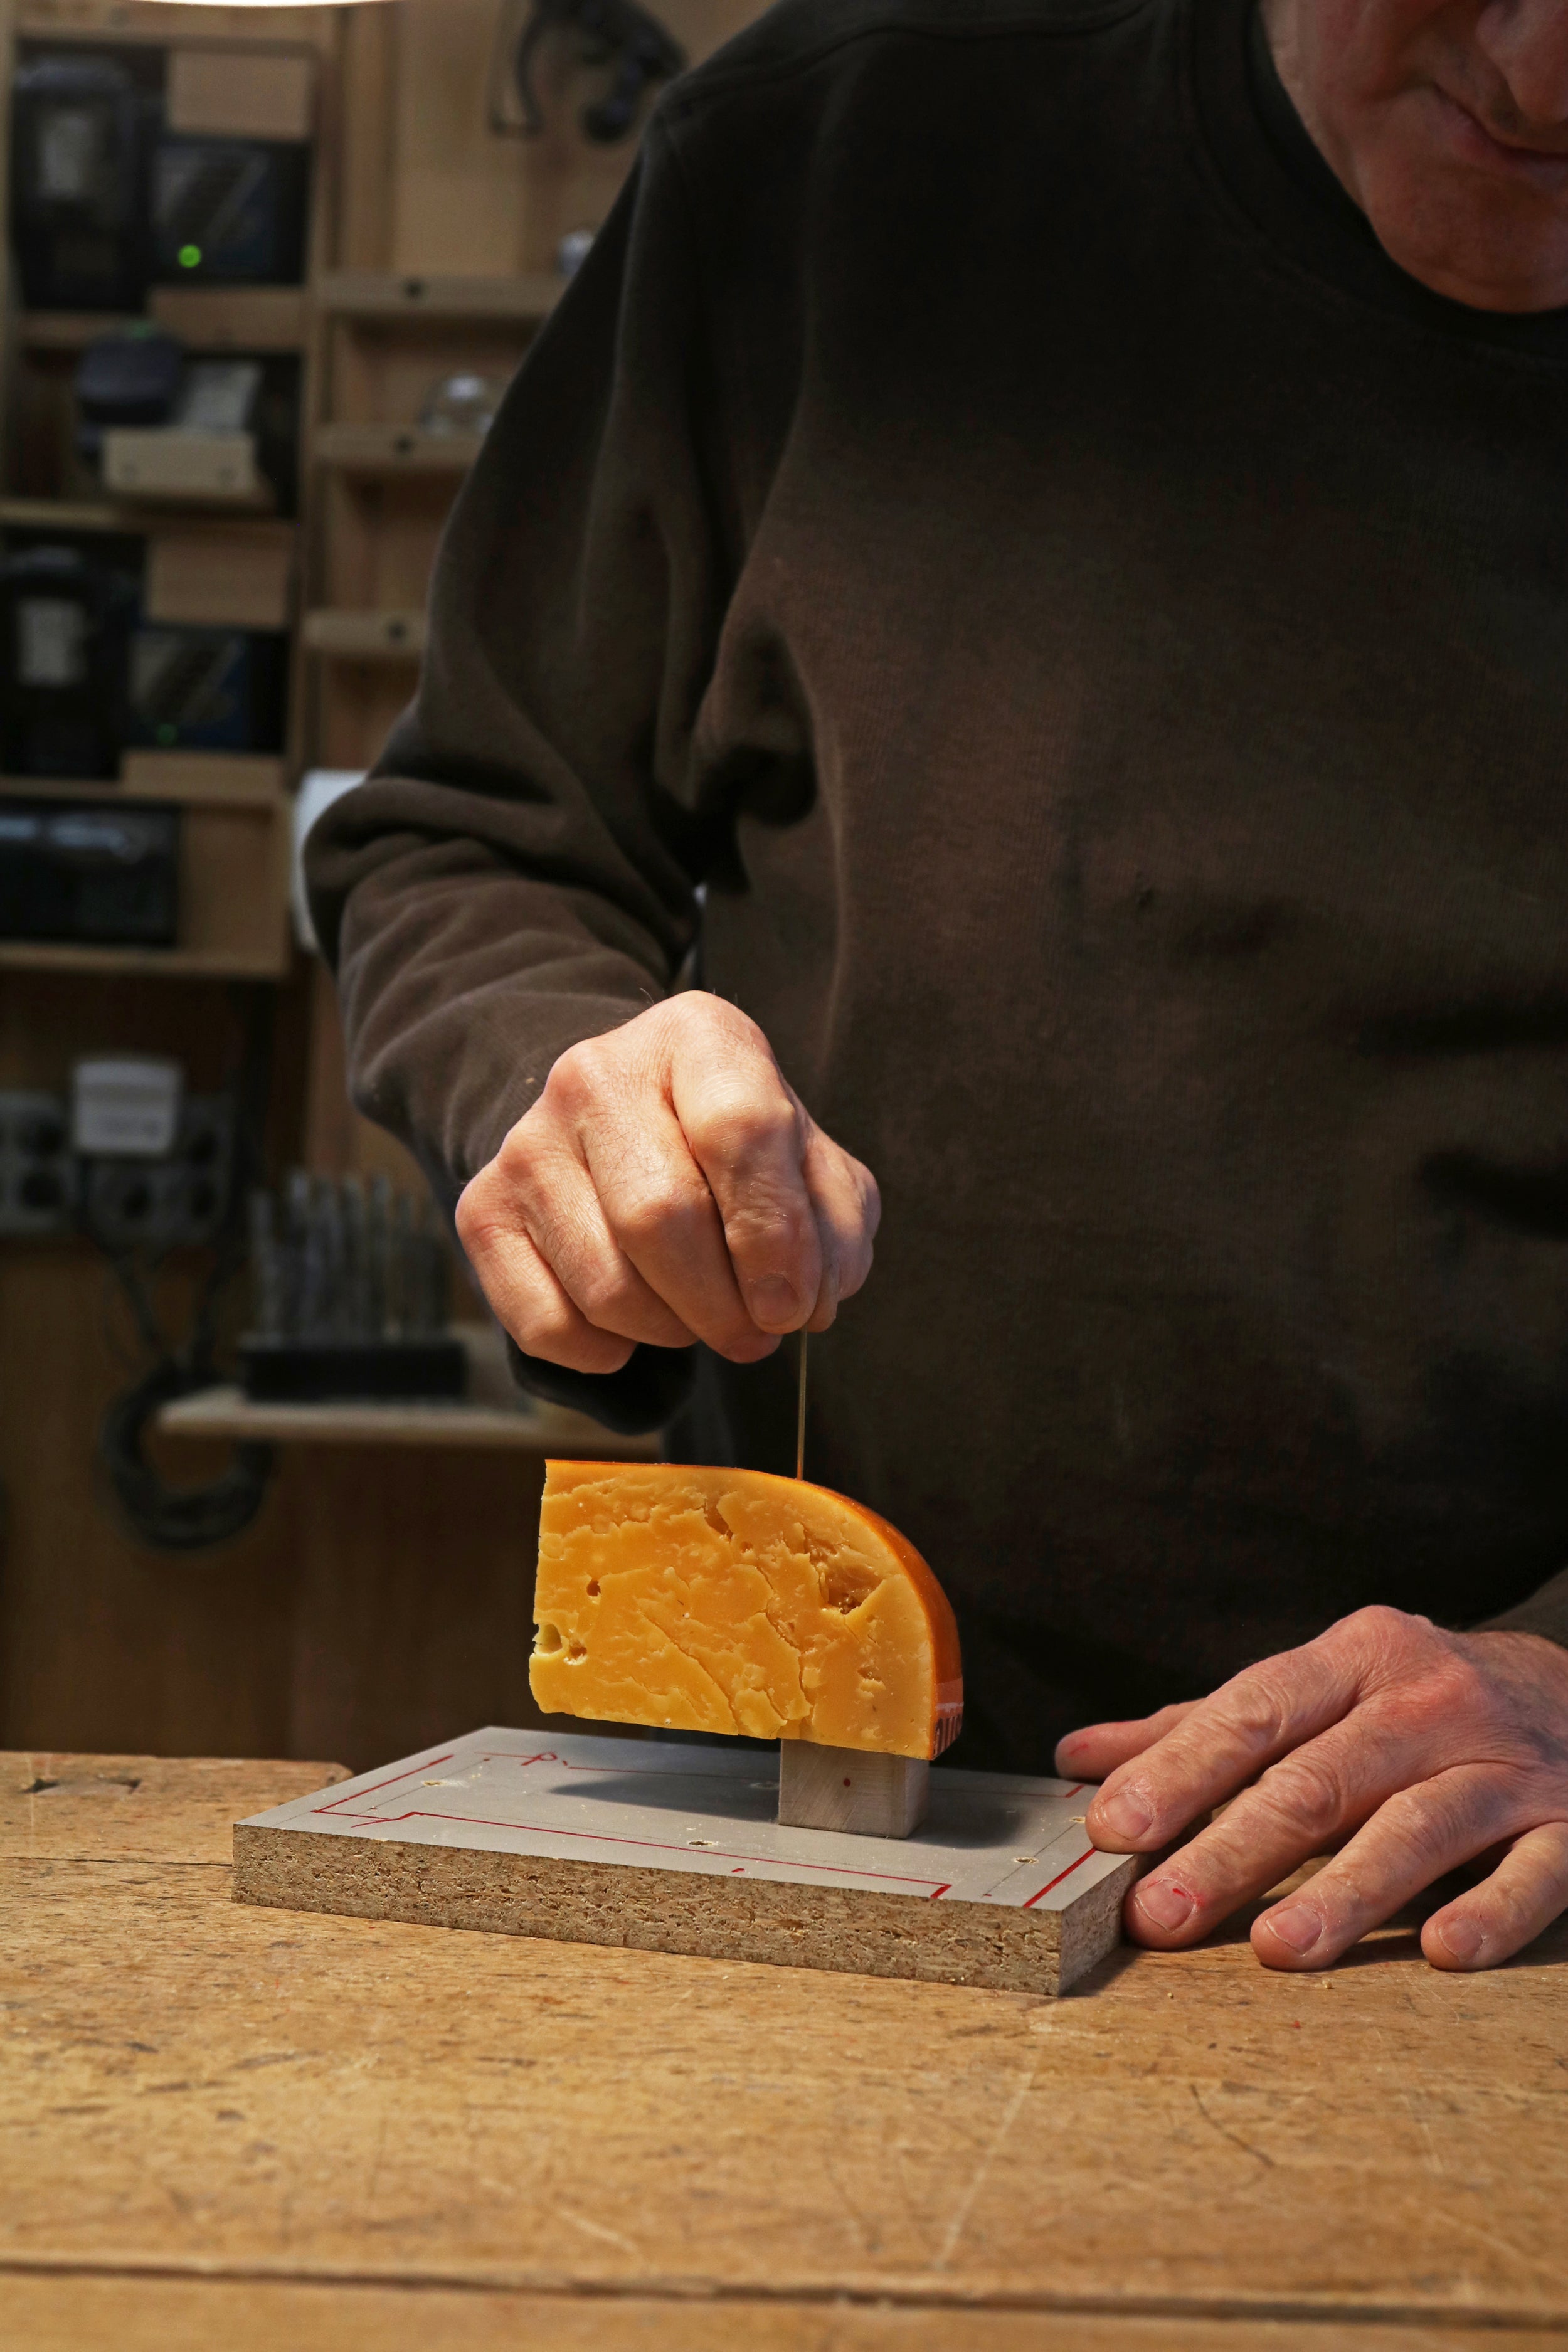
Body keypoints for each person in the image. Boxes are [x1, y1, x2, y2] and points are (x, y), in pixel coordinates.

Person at [308, 0, 1568, 1974]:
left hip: (1484, 1910)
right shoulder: (827, 158)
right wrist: (562, 1071)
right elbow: (474, 836)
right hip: (805, 1829)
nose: (1542, 75)